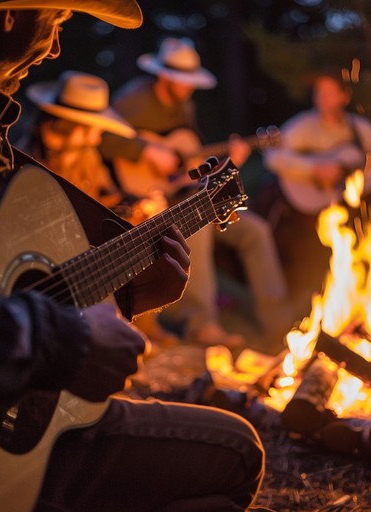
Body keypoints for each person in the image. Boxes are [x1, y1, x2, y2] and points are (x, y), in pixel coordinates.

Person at [0, 3, 267, 512]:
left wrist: (127, 292)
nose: (57, 47)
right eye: (58, 22)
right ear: (10, 15)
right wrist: (70, 339)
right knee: (237, 454)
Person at [100, 36, 292, 350]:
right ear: (164, 76)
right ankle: (200, 325)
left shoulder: (184, 106)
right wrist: (145, 150)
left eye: (191, 81)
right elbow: (102, 136)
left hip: (177, 195)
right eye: (182, 81)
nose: (188, 88)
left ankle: (280, 324)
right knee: (198, 225)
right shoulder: (134, 100)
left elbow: (186, 162)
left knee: (254, 229)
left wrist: (226, 161)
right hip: (139, 203)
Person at [260, 68, 371, 335]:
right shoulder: (303, 125)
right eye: (318, 92)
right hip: (315, 210)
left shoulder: (361, 130)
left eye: (329, 92)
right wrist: (314, 169)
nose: (322, 98)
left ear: (344, 96)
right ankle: (324, 313)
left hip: (358, 207)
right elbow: (273, 157)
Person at [21, 69, 180, 347]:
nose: (97, 138)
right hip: (46, 268)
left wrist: (136, 204)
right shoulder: (27, 161)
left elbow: (107, 197)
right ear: (70, 127)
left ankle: (140, 325)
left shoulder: (86, 156)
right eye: (92, 128)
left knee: (147, 226)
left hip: (84, 248)